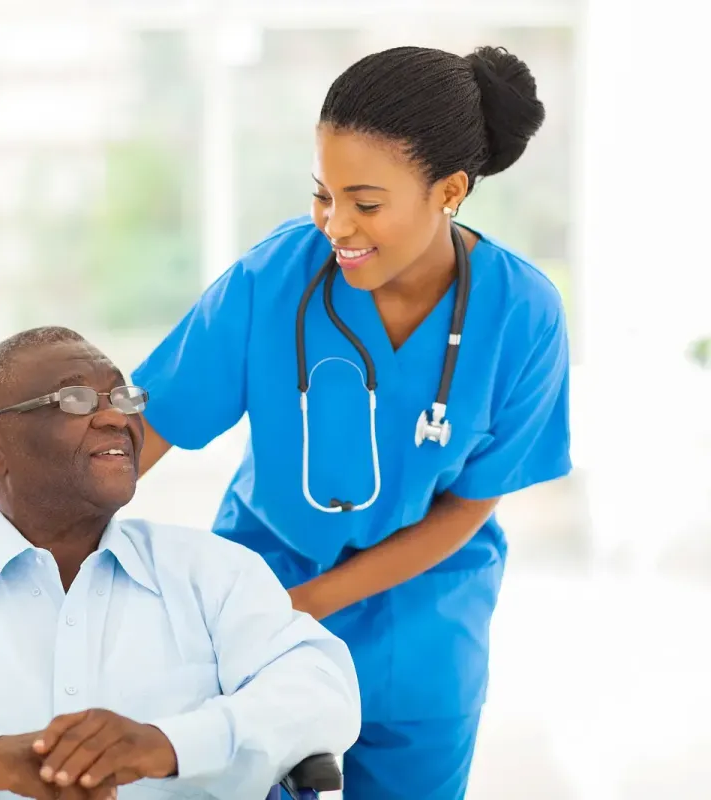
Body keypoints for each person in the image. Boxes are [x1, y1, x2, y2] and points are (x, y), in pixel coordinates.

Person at [131, 45, 571, 799]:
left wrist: (313, 604)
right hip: (262, 604)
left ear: (450, 191)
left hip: (424, 622)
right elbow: (146, 430)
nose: (336, 226)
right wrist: (40, 530)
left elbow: (469, 505)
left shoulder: (522, 314)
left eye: (366, 203)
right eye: (322, 195)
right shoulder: (274, 280)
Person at [0, 326, 361, 800]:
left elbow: (319, 689)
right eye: (76, 399)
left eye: (123, 396)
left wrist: (166, 745)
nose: (117, 418)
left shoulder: (214, 572)